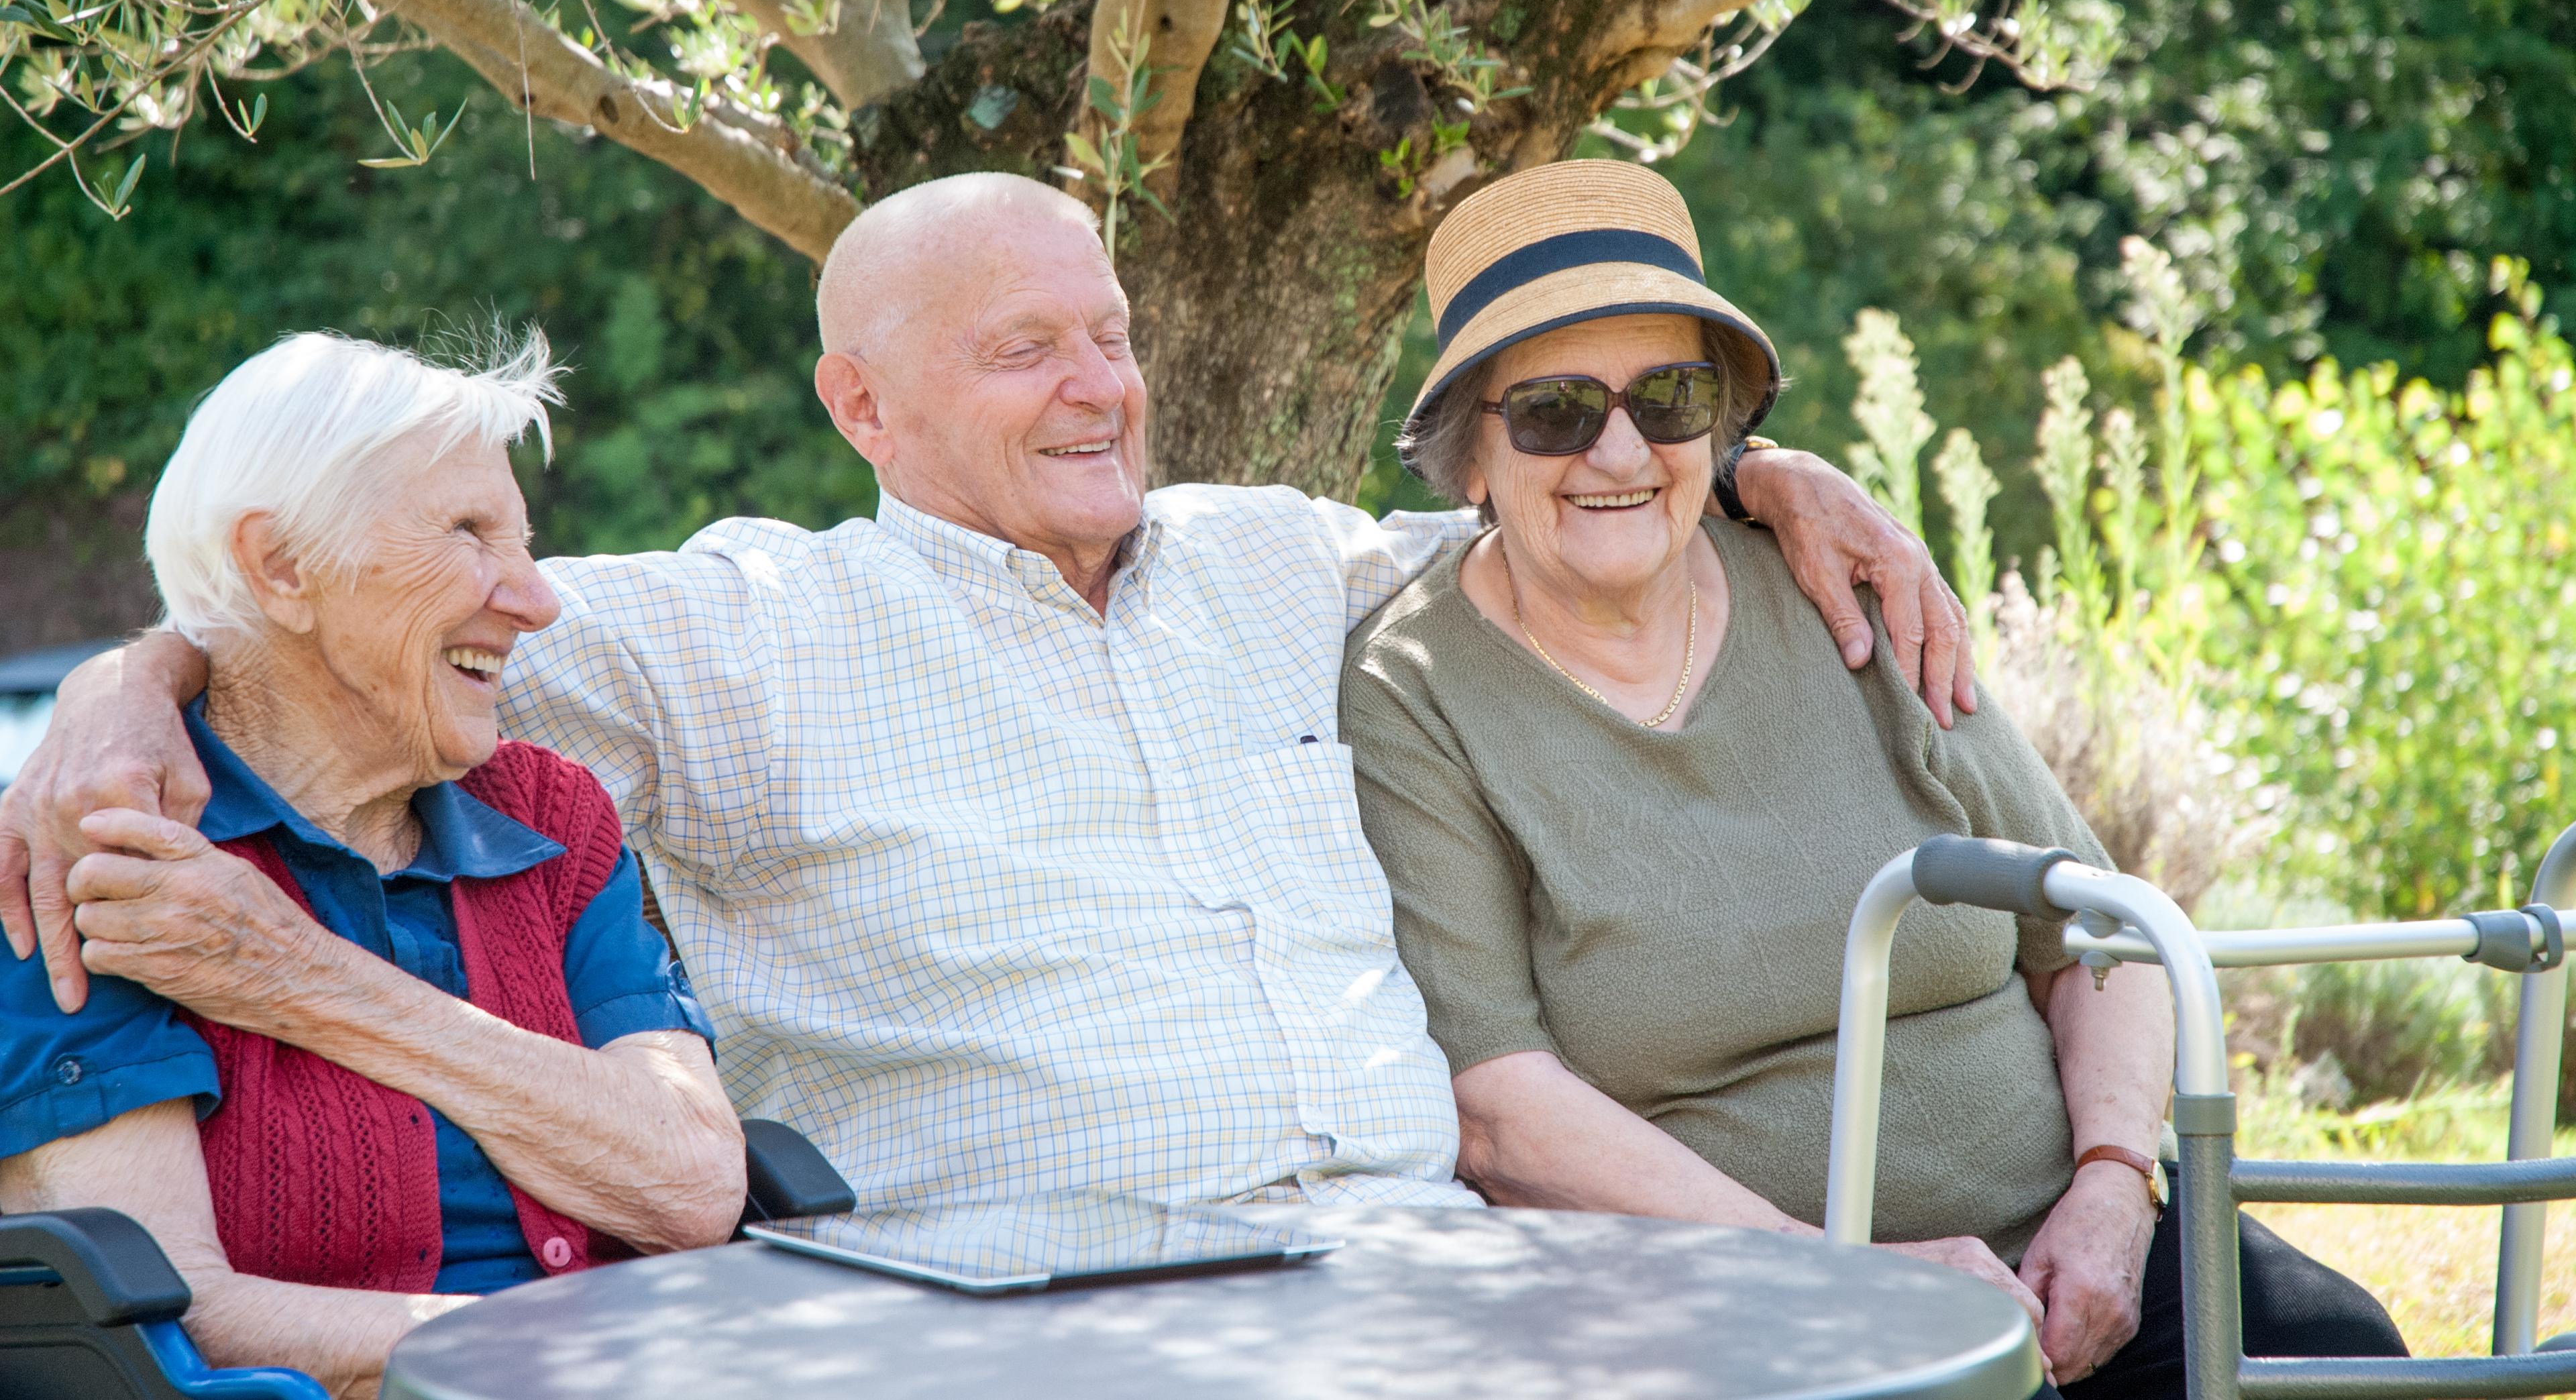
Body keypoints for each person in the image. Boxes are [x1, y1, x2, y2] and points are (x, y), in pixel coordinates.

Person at [3, 172, 1968, 1216]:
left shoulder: (1291, 559)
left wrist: (1772, 467)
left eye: (1109, 332)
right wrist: (130, 675)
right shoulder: (745, 628)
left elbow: (1579, 500)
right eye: (1025, 347)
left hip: (1437, 1272)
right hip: (1029, 1334)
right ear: (863, 404)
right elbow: (359, 607)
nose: (1102, 385)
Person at [1340, 160, 2407, 1400]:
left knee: (2345, 1355)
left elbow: (2095, 928)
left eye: (1673, 398)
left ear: (1724, 427)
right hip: (1753, 1299)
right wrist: (1839, 1271)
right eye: (1555, 411)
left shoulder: (1840, 586)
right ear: (1469, 454)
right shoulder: (1416, 690)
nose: (1620, 448)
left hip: (2069, 1245)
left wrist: (2118, 1186)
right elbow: (1500, 1112)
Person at [0, 332, 743, 1397]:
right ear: (283, 566)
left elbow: (691, 1186)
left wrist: (298, 977)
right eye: (470, 534)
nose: (537, 598)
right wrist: (552, 1356)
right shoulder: (104, 851)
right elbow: (173, 1321)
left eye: (524, 540)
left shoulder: (546, 816)